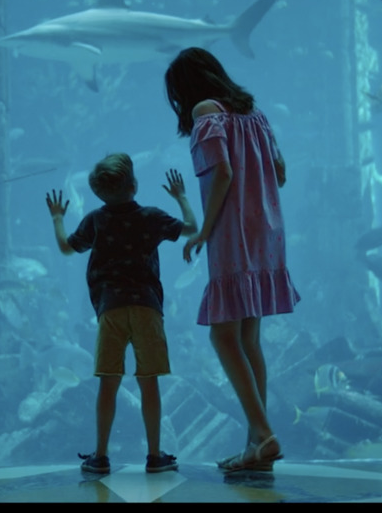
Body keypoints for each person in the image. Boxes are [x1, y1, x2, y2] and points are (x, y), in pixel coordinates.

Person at [165, 47, 299, 473]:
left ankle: (263, 433)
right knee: (248, 340)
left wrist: (204, 229)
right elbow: (280, 172)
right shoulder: (254, 113)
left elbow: (220, 172)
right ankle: (254, 446)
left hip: (233, 232)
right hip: (267, 232)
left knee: (222, 337)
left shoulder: (206, 112)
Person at [46, 154, 198, 474]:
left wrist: (58, 217)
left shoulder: (95, 221)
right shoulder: (150, 216)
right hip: (146, 307)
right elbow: (191, 227)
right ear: (134, 186)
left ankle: (100, 456)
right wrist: (181, 196)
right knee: (149, 381)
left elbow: (65, 247)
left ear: (100, 194)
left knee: (108, 383)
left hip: (111, 309)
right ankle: (155, 455)